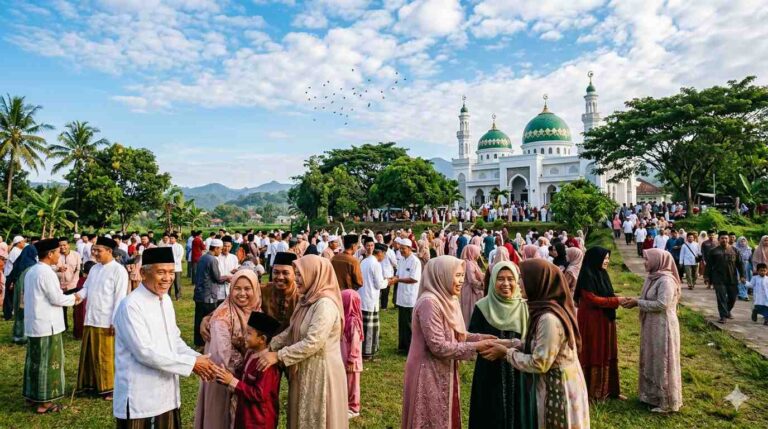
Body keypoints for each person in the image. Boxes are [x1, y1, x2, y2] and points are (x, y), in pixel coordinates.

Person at [113, 247, 217, 428]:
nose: (167, 278)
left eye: (171, 272)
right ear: (143, 273)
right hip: (141, 395)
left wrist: (196, 357)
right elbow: (144, 352)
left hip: (166, 393)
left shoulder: (165, 300)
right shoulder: (131, 306)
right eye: (161, 272)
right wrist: (192, 364)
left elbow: (174, 339)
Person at [481, 259, 589, 429]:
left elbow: (540, 363)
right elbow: (540, 344)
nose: (518, 283)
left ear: (538, 281)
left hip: (559, 388)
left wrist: (506, 353)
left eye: (522, 278)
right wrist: (511, 343)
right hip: (557, 381)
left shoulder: (548, 319)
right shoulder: (545, 309)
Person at [401, 255, 497, 429]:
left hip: (444, 367)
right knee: (431, 417)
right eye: (457, 276)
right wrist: (476, 346)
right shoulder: (430, 302)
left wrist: (482, 338)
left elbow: (457, 333)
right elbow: (438, 346)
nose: (461, 281)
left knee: (444, 413)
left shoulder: (448, 298)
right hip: (426, 371)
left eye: (462, 275)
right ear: (441, 275)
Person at [254, 255, 348, 429]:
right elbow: (292, 329)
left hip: (321, 371)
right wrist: (270, 347)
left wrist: (278, 356)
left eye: (300, 274)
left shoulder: (324, 304)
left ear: (315, 274)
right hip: (305, 368)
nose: (297, 279)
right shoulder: (307, 299)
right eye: (296, 274)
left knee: (316, 417)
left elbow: (313, 342)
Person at [468, 261, 534, 429]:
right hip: (489, 374)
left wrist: (506, 351)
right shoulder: (482, 307)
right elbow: (472, 338)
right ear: (492, 281)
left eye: (511, 279)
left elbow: (533, 343)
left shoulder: (526, 307)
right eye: (500, 279)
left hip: (519, 371)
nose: (506, 284)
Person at [195, 269, 262, 429]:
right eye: (237, 288)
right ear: (230, 290)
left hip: (245, 382)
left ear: (255, 288)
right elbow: (221, 355)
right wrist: (243, 375)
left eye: (247, 288)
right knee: (221, 419)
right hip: (224, 378)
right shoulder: (222, 317)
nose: (242, 294)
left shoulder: (256, 308)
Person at [22, 238, 82, 413]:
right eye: (57, 252)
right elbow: (56, 298)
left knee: (35, 361)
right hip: (47, 325)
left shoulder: (33, 270)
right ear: (49, 254)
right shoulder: (46, 273)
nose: (59, 255)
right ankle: (46, 402)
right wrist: (75, 299)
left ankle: (32, 396)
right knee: (49, 363)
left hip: (35, 324)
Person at [623, 248, 683, 413]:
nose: (645, 263)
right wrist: (635, 300)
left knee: (662, 359)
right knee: (652, 357)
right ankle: (651, 395)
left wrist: (637, 303)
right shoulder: (653, 278)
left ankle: (666, 401)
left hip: (663, 326)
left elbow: (662, 304)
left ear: (658, 260)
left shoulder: (666, 280)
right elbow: (648, 298)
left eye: (647, 259)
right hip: (652, 324)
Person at [75, 236, 129, 399]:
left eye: (98, 250)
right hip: (91, 317)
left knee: (105, 355)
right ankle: (91, 384)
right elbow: (86, 288)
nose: (95, 253)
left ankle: (110, 388)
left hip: (106, 321)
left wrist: (115, 321)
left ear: (109, 251)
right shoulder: (94, 269)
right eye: (94, 250)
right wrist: (76, 297)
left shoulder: (118, 270)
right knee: (91, 354)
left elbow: (120, 298)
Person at [211, 312, 282, 429]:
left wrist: (232, 382)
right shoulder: (250, 353)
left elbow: (259, 394)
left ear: (262, 339)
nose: (244, 336)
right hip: (245, 416)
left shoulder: (267, 365)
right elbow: (243, 377)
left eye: (249, 333)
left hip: (259, 421)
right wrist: (225, 376)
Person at [574, 246, 626, 400]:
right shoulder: (586, 276)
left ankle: (609, 390)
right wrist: (617, 300)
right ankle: (594, 392)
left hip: (605, 319)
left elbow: (605, 294)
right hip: (592, 322)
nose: (607, 261)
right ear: (595, 259)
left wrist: (618, 298)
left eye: (608, 258)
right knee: (595, 352)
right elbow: (591, 299)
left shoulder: (602, 274)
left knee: (608, 352)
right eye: (605, 258)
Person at [193, 239, 230, 347]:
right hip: (208, 295)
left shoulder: (203, 257)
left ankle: (198, 343)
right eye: (221, 249)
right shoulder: (213, 260)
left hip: (199, 294)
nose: (221, 251)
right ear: (217, 248)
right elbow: (217, 278)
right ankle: (207, 343)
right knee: (209, 320)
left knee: (198, 320)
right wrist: (228, 277)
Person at [706, 231, 746, 324]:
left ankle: (727, 310)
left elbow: (740, 265)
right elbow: (709, 265)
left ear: (729, 239)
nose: (724, 240)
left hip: (732, 277)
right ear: (719, 239)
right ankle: (723, 316)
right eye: (722, 238)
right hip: (718, 278)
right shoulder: (713, 251)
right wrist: (707, 276)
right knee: (721, 297)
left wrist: (743, 275)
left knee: (733, 296)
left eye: (726, 238)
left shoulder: (735, 251)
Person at [359, 243, 390, 360]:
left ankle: (363, 351)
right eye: (384, 254)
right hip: (370, 299)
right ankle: (368, 354)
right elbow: (379, 284)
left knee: (363, 328)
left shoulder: (365, 261)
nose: (384, 257)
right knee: (370, 329)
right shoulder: (375, 264)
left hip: (363, 297)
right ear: (380, 253)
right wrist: (388, 281)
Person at [393, 238, 422, 354]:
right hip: (401, 296)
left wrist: (397, 279)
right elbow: (398, 274)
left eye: (403, 249)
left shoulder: (415, 261)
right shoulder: (401, 260)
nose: (401, 251)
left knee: (410, 324)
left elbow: (414, 279)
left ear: (410, 249)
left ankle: (410, 348)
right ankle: (402, 346)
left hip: (411, 297)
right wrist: (394, 278)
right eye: (400, 249)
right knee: (402, 323)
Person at [341, 281, 363, 418]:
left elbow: (355, 342)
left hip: (352, 361)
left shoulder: (353, 321)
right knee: (348, 383)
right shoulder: (346, 318)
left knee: (353, 384)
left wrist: (352, 358)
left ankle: (354, 407)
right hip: (347, 358)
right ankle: (347, 404)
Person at [264, 252, 300, 333]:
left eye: (285, 273)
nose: (280, 277)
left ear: (295, 274)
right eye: (276, 272)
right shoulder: (264, 290)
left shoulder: (301, 296)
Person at [10, 244, 39, 344]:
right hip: (24, 295)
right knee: (24, 315)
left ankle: (17, 335)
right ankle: (22, 336)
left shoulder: (20, 264)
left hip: (18, 294)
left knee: (19, 315)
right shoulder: (30, 267)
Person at [56, 237, 81, 332]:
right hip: (59, 287)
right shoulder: (56, 255)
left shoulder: (76, 255)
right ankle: (63, 327)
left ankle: (77, 329)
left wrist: (70, 286)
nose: (62, 247)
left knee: (76, 308)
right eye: (60, 245)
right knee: (61, 309)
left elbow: (78, 271)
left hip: (74, 286)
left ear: (68, 245)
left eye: (64, 245)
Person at [459, 244, 485, 329]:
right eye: (476, 252)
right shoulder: (469, 264)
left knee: (467, 309)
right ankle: (471, 328)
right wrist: (482, 285)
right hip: (471, 291)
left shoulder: (471, 262)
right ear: (472, 252)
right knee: (470, 309)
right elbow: (472, 280)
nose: (478, 254)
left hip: (467, 289)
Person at [73, 261, 96, 340]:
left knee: (80, 317)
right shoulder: (84, 280)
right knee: (82, 316)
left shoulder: (82, 280)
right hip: (82, 302)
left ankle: (80, 334)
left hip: (82, 302)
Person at [170, 233, 185, 300]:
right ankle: (168, 295)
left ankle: (178, 296)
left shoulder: (179, 246)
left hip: (177, 267)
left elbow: (180, 256)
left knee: (177, 282)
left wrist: (174, 261)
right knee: (169, 282)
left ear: (175, 239)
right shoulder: (168, 246)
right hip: (169, 266)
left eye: (172, 238)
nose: (171, 239)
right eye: (170, 238)